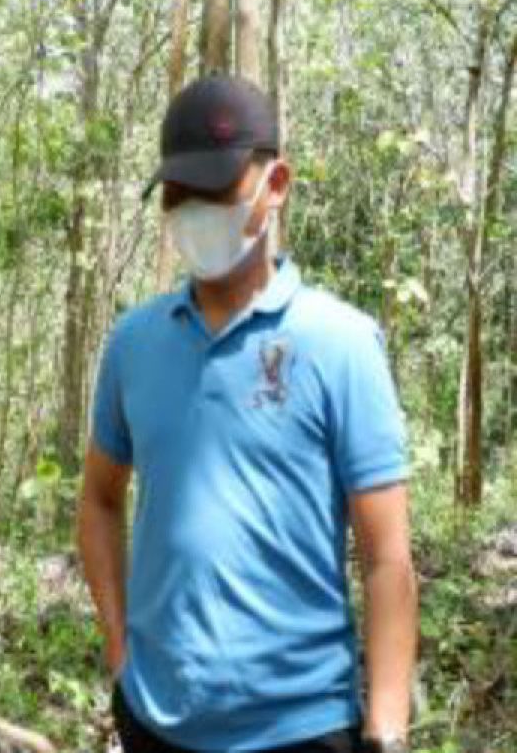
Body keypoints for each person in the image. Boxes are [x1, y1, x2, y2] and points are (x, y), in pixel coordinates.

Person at [77, 76, 417, 753]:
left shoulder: (339, 343)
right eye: (178, 195)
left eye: (216, 192)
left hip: (302, 728)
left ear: (276, 184)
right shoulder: (134, 343)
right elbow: (99, 500)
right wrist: (121, 656)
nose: (194, 210)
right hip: (154, 721)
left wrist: (386, 728)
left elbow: (387, 558)